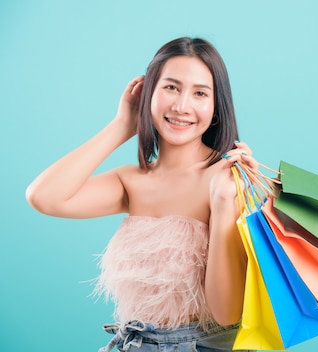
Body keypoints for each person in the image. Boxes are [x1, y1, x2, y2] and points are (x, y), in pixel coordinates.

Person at [25, 37, 256, 352]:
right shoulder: (131, 181)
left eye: (200, 93)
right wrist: (121, 126)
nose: (181, 106)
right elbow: (44, 197)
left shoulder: (228, 180)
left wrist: (223, 201)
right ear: (149, 94)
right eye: (171, 87)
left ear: (216, 108)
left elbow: (227, 312)